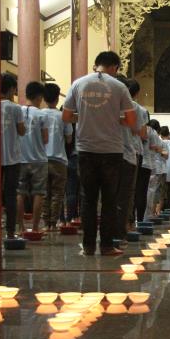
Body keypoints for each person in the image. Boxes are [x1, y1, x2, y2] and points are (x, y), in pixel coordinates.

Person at [62, 51, 137, 256]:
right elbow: (131, 121)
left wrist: (85, 117)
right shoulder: (119, 87)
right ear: (114, 67)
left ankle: (88, 246)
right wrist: (114, 119)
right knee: (109, 200)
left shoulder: (78, 84)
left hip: (86, 149)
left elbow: (66, 116)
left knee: (88, 199)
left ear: (96, 64)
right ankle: (106, 246)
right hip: (112, 150)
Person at [114, 76, 148, 245]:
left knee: (111, 191)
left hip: (109, 151)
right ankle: (126, 225)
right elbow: (141, 133)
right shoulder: (137, 108)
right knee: (129, 192)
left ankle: (110, 228)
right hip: (130, 152)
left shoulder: (109, 104)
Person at [17, 81, 49, 235]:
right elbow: (45, 139)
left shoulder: (18, 111)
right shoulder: (42, 114)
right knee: (39, 193)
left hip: (20, 158)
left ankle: (20, 227)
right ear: (39, 97)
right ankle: (35, 228)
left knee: (19, 192)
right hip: (39, 159)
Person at [41, 83, 72, 231]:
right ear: (57, 98)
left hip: (42, 159)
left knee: (44, 193)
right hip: (59, 159)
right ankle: (53, 223)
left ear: (44, 97)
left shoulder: (40, 114)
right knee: (57, 194)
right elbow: (69, 139)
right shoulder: (63, 116)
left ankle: (45, 223)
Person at [0, 73, 25, 239]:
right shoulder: (16, 108)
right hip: (13, 158)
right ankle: (10, 232)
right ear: (10, 89)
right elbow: (21, 131)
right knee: (10, 195)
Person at [143, 120, 166, 219]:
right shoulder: (153, 133)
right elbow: (156, 148)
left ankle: (142, 215)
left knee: (144, 190)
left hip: (141, 162)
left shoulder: (143, 130)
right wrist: (161, 151)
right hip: (152, 165)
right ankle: (148, 214)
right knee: (151, 190)